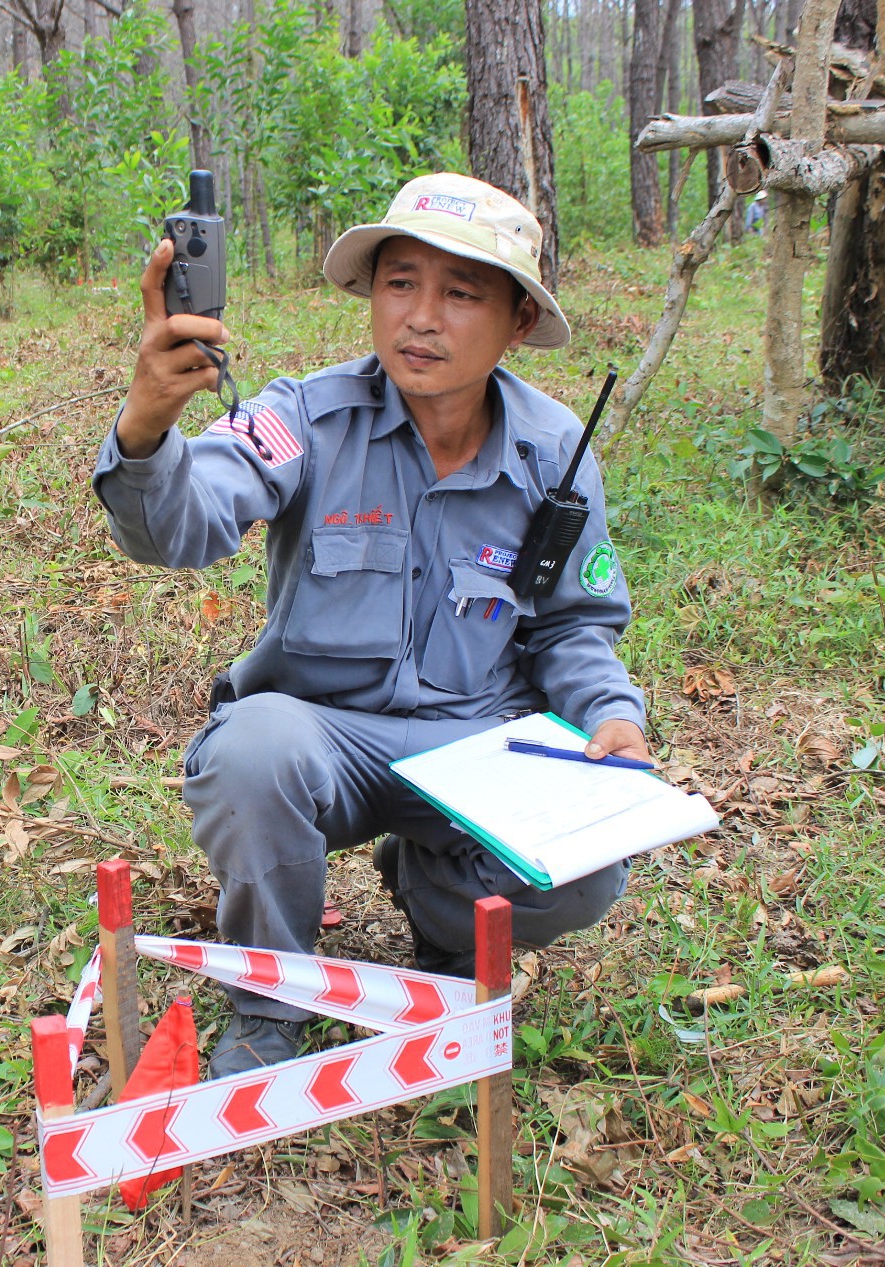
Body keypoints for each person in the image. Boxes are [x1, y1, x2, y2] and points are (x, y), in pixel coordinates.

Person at [90, 172, 651, 1077]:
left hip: (480, 746)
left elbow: (573, 626)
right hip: (326, 739)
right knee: (250, 749)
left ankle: (439, 914)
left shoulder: (553, 452)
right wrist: (150, 429)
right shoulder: (304, 416)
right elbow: (183, 525)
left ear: (515, 324)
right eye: (400, 283)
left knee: (591, 864)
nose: (420, 317)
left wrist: (611, 716)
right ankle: (272, 1004)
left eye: (460, 293)